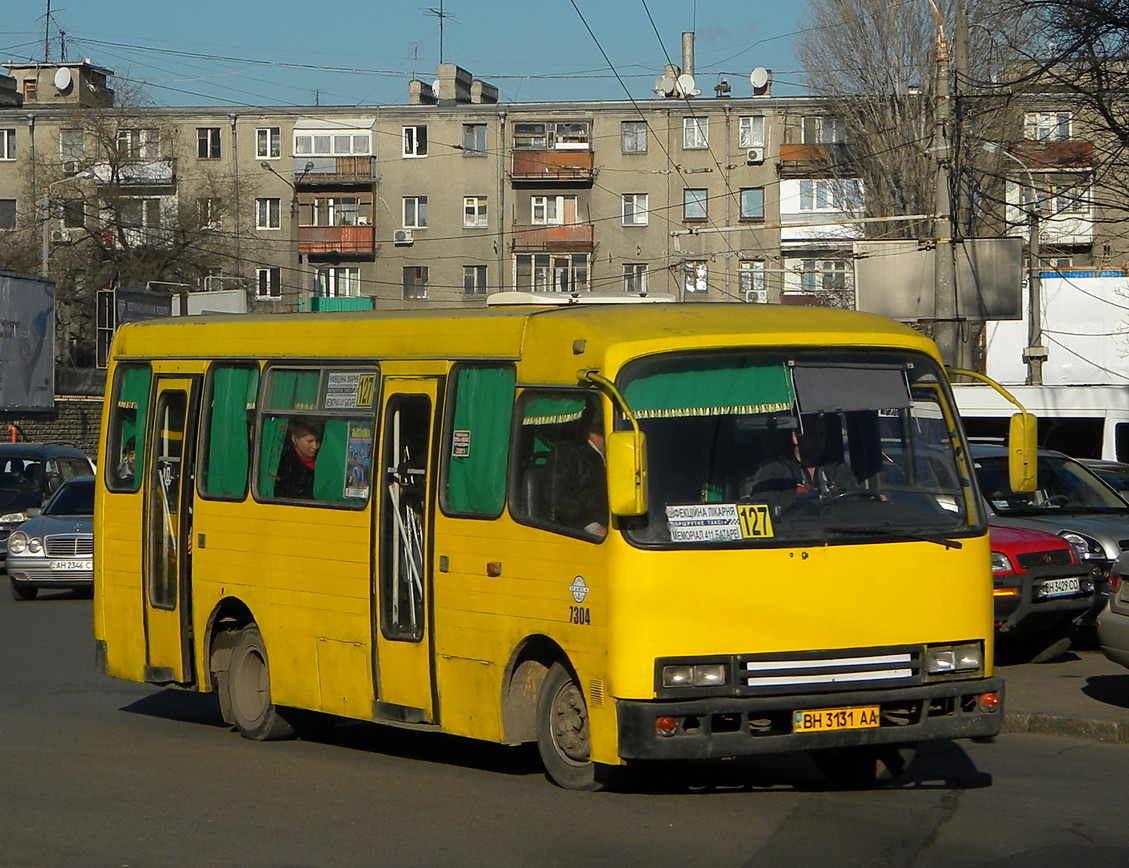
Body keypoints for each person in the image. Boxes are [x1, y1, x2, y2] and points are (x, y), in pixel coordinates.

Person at [741, 413, 857, 515]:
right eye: (811, 436)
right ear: (795, 437)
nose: (817, 441)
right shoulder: (773, 471)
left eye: (821, 435)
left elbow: (857, 504)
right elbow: (763, 512)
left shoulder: (839, 469)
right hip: (791, 536)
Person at [547, 408, 608, 537]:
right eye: (602, 429)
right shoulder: (567, 452)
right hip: (580, 534)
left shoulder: (617, 454)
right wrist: (592, 526)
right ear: (587, 431)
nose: (608, 433)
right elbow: (558, 495)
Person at [274, 416, 322, 499]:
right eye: (309, 441)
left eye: (317, 441)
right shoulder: (283, 466)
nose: (314, 446)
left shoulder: (324, 460)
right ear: (295, 439)